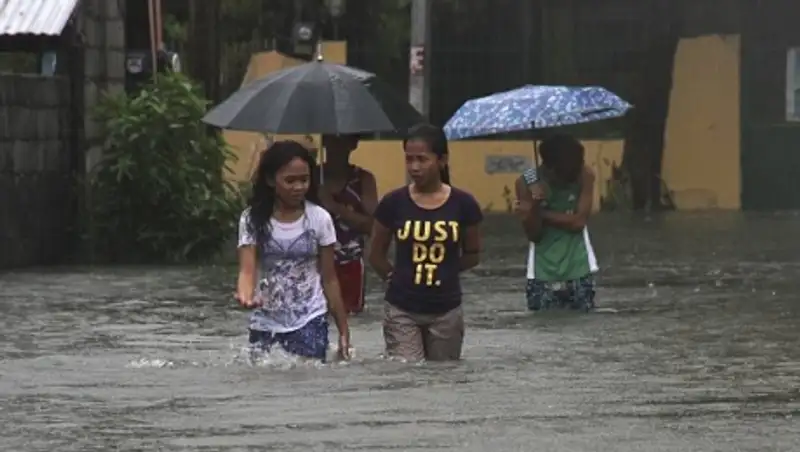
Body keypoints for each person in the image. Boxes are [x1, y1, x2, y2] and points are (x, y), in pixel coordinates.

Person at [368, 123, 483, 361]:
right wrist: (394, 278)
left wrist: (446, 270)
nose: (414, 167)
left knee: (443, 374)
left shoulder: (464, 204)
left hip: (446, 309)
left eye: (422, 159)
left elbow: (473, 254)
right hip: (401, 309)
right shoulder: (393, 203)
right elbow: (376, 255)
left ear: (442, 160)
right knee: (407, 371)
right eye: (409, 159)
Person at [236, 140, 351, 362]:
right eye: (290, 181)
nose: (298, 187)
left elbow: (329, 278)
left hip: (310, 318)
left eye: (304, 180)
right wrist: (245, 294)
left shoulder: (319, 218)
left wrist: (344, 330)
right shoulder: (252, 219)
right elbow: (247, 270)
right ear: (271, 180)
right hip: (265, 320)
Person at [514, 134, 599, 312]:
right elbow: (534, 235)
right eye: (570, 168)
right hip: (541, 272)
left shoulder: (584, 175)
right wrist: (535, 203)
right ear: (550, 168)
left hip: (580, 267)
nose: (576, 171)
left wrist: (539, 213)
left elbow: (578, 222)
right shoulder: (527, 182)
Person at [318, 134, 378, 314]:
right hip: (314, 263)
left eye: (342, 141)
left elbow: (373, 226)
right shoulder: (311, 178)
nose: (336, 147)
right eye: (332, 140)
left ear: (353, 144)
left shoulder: (363, 180)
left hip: (350, 263)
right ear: (324, 142)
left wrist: (335, 207)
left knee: (350, 315)